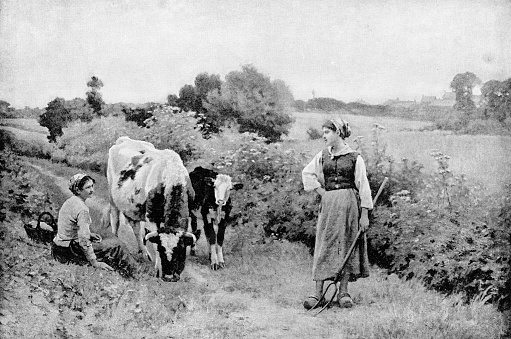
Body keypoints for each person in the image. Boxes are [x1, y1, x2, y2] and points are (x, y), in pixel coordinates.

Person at [302, 118, 373, 309]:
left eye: (327, 132)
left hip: (350, 205)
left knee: (347, 243)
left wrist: (364, 214)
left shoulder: (354, 157)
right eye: (323, 132)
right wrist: (322, 192)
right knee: (325, 243)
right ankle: (318, 294)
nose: (324, 136)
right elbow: (307, 173)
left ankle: (343, 292)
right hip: (329, 205)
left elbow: (363, 186)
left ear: (338, 133)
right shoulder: (322, 155)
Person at [51, 173, 140, 278]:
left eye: (92, 186)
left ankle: (126, 269)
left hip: (58, 248)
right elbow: (83, 241)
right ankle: (134, 273)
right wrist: (94, 262)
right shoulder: (82, 209)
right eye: (88, 187)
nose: (92, 190)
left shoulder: (70, 202)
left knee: (108, 240)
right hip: (69, 251)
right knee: (118, 246)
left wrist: (90, 234)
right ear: (78, 190)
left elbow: (69, 229)